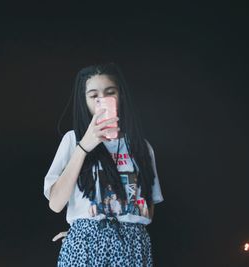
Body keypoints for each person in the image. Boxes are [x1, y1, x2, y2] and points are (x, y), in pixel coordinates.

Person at [43, 62, 164, 266]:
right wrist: (82, 231)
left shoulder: (141, 147)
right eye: (93, 96)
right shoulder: (73, 140)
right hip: (85, 246)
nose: (102, 101)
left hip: (132, 246)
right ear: (84, 101)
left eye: (110, 92)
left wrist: (114, 229)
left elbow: (148, 210)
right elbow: (55, 204)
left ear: (120, 96)